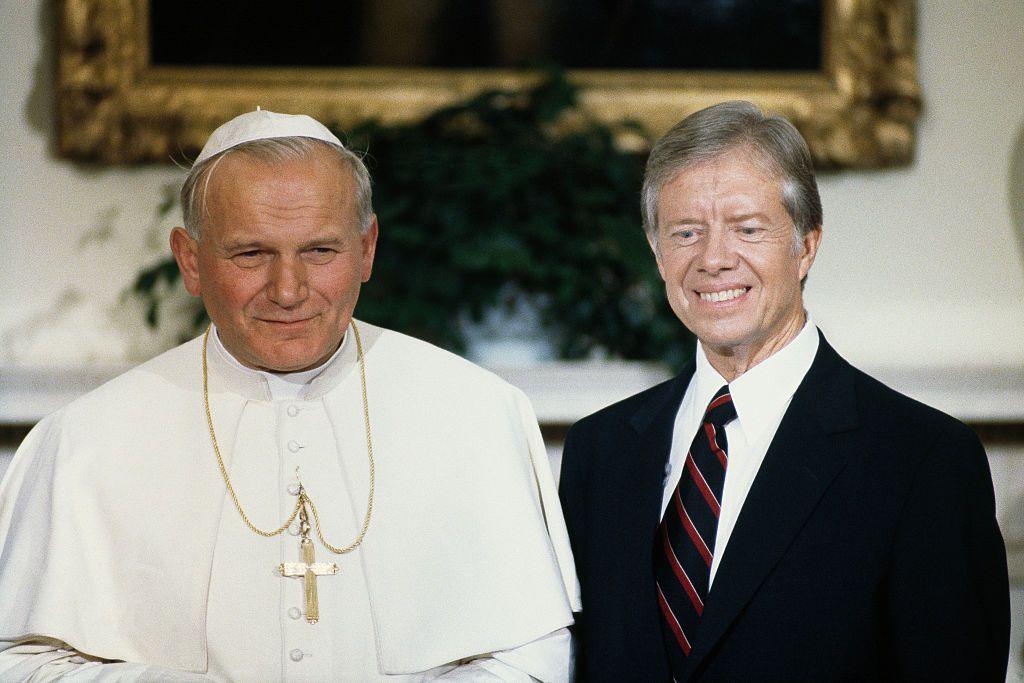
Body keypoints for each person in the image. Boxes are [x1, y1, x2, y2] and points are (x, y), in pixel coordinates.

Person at [0, 109, 579, 681]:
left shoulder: (476, 413)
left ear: (368, 249)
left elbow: (531, 656)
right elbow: (21, 662)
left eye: (320, 251)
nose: (287, 290)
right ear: (190, 261)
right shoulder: (84, 440)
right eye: (251, 254)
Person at [558, 101, 1010, 681]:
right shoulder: (602, 450)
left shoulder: (923, 459)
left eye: (747, 229)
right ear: (657, 253)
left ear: (806, 246)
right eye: (686, 233)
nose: (714, 259)